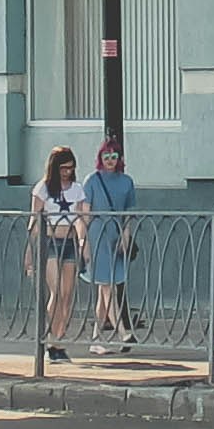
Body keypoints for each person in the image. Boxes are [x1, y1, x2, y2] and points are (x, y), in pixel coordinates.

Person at [82, 139, 142, 347]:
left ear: (119, 159)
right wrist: (84, 243)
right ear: (100, 159)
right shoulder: (92, 180)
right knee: (107, 287)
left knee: (105, 287)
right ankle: (123, 332)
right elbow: (85, 215)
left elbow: (128, 213)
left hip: (116, 235)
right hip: (97, 235)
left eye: (113, 156)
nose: (109, 160)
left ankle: (96, 338)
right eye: (105, 156)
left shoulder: (127, 182)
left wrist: (125, 235)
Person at [31, 147, 87, 359]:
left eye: (71, 168)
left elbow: (83, 217)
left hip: (70, 241)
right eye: (63, 168)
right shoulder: (43, 188)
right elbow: (35, 220)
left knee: (66, 294)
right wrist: (30, 250)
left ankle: (59, 337)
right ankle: (53, 341)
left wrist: (83, 243)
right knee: (55, 290)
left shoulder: (77, 189)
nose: (67, 172)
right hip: (50, 240)